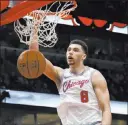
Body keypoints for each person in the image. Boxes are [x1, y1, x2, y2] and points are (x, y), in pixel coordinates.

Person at [29, 35, 112, 125]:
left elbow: (106, 109)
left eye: (75, 50)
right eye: (69, 50)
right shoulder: (60, 75)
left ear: (83, 56)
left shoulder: (94, 75)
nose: (70, 52)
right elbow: (35, 57)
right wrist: (35, 28)